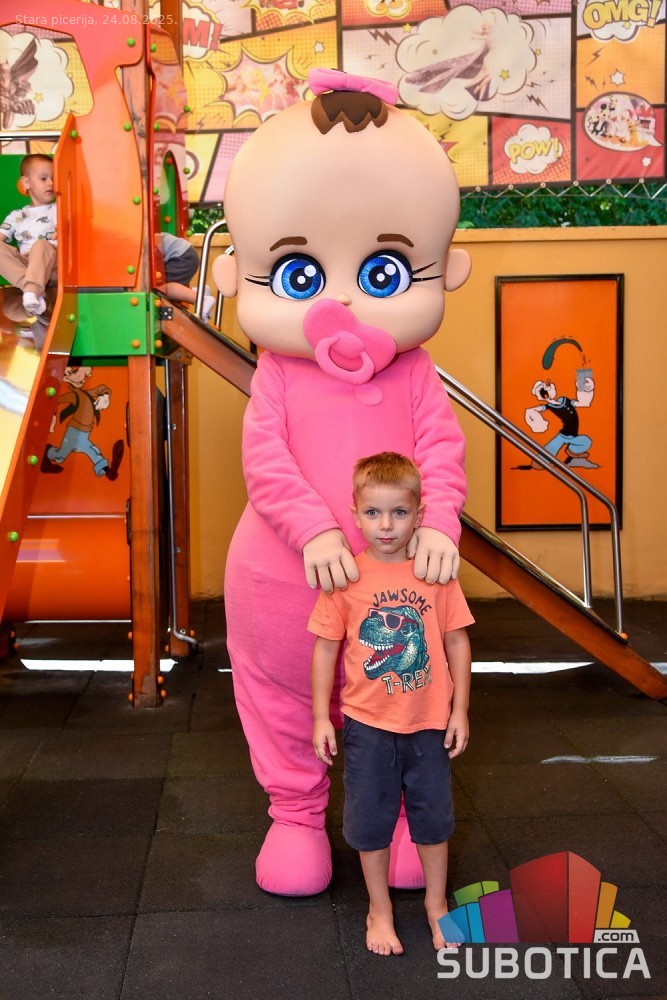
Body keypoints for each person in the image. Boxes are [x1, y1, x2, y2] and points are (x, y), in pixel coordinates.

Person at [213, 68, 471, 896]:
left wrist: (440, 524)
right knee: (283, 700)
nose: (344, 304)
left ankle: (396, 821)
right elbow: (266, 461)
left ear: (445, 268)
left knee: (397, 701)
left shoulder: (414, 371)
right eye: (299, 275)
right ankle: (295, 816)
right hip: (282, 581)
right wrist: (315, 528)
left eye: (385, 273)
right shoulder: (278, 373)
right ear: (236, 274)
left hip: (393, 592)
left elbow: (441, 453)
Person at [309, 452, 473, 955]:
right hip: (368, 726)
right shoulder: (346, 579)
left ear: (419, 514)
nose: (386, 525)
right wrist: (320, 718)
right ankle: (378, 909)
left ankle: (436, 905)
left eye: (399, 512)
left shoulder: (436, 576)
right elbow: (325, 649)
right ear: (355, 515)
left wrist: (460, 710)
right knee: (370, 823)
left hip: (428, 724)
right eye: (374, 513)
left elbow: (457, 642)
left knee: (434, 822)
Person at [0, 153, 57, 322]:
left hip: (52, 262)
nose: (51, 183)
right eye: (44, 179)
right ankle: (36, 299)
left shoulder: (58, 209)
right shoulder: (16, 216)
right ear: (26, 183)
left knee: (40, 245)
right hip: (27, 266)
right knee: (10, 309)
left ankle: (32, 291)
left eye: (54, 179)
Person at [159, 232, 215, 322]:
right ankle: (199, 293)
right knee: (167, 289)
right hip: (186, 253)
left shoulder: (140, 238)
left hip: (181, 256)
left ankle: (202, 300)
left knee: (164, 289)